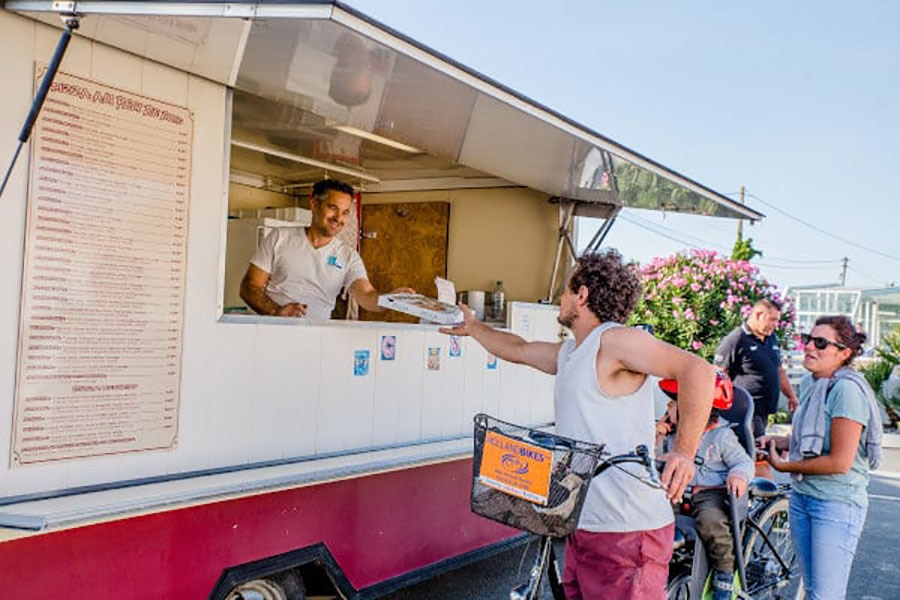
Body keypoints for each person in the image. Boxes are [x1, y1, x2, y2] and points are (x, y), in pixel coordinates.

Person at [440, 249, 717, 600]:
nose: (560, 298)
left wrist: (684, 452)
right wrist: (474, 328)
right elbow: (519, 348)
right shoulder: (572, 353)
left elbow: (698, 370)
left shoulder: (615, 340)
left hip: (627, 528)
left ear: (582, 295)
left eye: (565, 290)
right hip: (583, 523)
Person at [764, 315, 883, 600]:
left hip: (835, 505)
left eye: (820, 343)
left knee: (826, 595)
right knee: (814, 590)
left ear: (844, 353)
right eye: (808, 339)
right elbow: (813, 441)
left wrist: (783, 465)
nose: (809, 347)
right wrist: (777, 441)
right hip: (803, 497)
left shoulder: (846, 390)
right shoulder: (812, 383)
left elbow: (839, 462)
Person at [239, 179, 411, 321]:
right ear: (314, 204)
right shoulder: (280, 238)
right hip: (273, 333)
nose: (338, 218)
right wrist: (276, 311)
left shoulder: (348, 256)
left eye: (345, 213)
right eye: (333, 208)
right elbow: (249, 287)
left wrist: (391, 300)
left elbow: (366, 295)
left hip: (318, 339)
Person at [656, 374, 755, 600]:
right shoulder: (674, 434)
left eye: (675, 403)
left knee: (711, 521)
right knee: (656, 515)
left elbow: (743, 461)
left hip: (712, 491)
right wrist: (658, 438)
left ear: (696, 410)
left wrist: (738, 475)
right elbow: (657, 461)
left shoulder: (721, 436)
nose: (669, 406)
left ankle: (725, 573)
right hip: (680, 489)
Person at [714, 298, 799, 439]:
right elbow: (719, 375)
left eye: (777, 320)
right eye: (772, 320)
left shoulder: (771, 338)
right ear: (758, 315)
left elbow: (778, 370)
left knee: (759, 448)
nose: (775, 325)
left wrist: (792, 396)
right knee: (756, 449)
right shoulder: (736, 340)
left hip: (764, 411)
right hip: (746, 410)